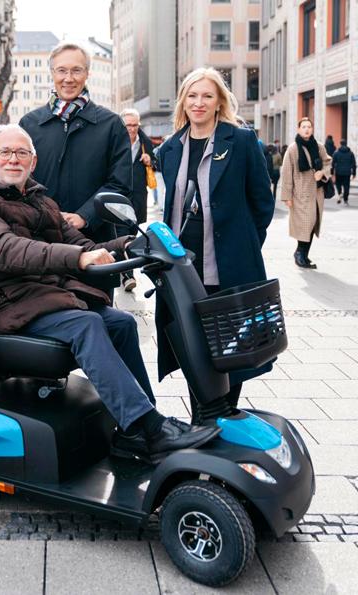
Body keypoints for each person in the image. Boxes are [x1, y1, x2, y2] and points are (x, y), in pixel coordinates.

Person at [0, 124, 219, 463]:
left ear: (33, 162)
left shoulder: (40, 200)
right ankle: (149, 427)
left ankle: (135, 429)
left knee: (121, 324)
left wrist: (132, 244)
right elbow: (4, 249)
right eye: (5, 152)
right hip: (5, 303)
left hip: (42, 298)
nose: (13, 160)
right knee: (86, 324)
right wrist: (76, 257)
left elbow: (84, 246)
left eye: (22, 153)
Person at [158, 67, 275, 423]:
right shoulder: (170, 148)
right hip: (183, 269)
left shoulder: (240, 142)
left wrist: (244, 244)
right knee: (193, 347)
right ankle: (202, 419)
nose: (199, 103)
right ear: (183, 101)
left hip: (228, 265)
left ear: (219, 101)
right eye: (192, 96)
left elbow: (262, 203)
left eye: (207, 96)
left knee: (231, 347)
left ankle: (224, 417)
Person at [20, 42, 132, 300]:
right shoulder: (29, 125)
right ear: (52, 73)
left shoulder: (111, 124)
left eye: (76, 71)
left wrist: (84, 216)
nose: (68, 78)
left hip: (94, 244)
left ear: (87, 74)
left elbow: (120, 183)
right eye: (61, 71)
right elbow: (18, 182)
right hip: (42, 247)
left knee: (99, 319)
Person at [280, 117, 331, 269]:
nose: (307, 129)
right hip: (300, 194)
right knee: (305, 224)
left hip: (316, 194)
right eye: (303, 127)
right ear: (298, 129)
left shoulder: (319, 146)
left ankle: (304, 255)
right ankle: (299, 254)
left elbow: (328, 162)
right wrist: (287, 196)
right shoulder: (293, 148)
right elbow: (287, 173)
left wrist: (322, 173)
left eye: (309, 127)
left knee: (313, 224)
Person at [118, 108, 156, 292]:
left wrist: (150, 160)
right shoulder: (116, 142)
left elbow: (157, 163)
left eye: (135, 125)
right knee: (121, 236)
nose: (132, 129)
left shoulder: (145, 143)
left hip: (138, 198)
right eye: (128, 125)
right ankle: (127, 275)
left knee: (132, 236)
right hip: (119, 197)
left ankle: (124, 270)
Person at [332, 139, 356, 205]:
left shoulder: (336, 153)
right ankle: (345, 199)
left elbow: (333, 163)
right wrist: (354, 173)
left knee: (338, 184)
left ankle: (340, 193)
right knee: (346, 186)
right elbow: (353, 164)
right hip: (347, 172)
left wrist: (331, 172)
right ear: (346, 144)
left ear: (340, 144)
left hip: (338, 172)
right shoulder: (350, 153)